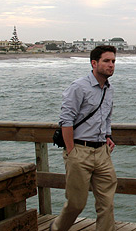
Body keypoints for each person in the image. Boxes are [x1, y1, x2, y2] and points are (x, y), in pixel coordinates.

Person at [51, 45, 118, 231]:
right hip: (80, 151)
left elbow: (107, 116)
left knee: (107, 203)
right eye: (106, 61)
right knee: (76, 203)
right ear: (94, 63)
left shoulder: (109, 89)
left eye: (113, 61)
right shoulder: (78, 87)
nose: (111, 65)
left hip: (102, 152)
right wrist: (72, 151)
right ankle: (57, 228)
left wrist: (107, 135)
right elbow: (66, 120)